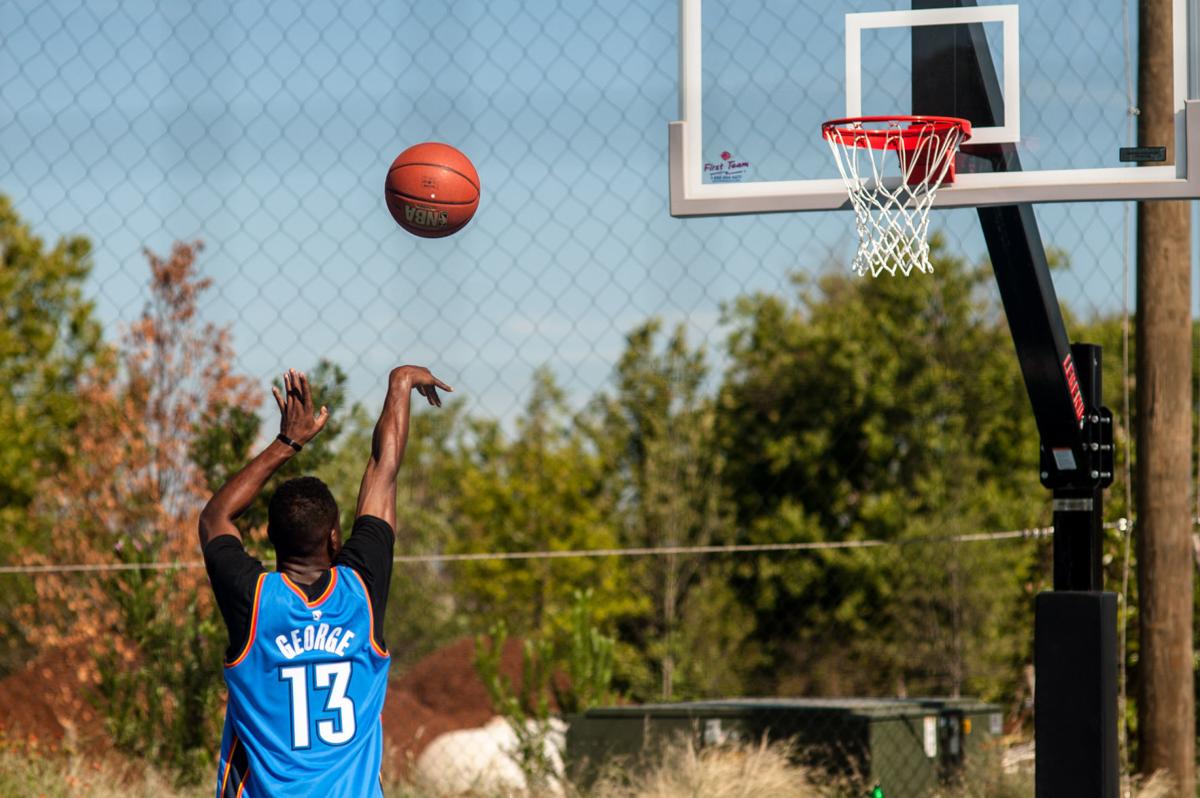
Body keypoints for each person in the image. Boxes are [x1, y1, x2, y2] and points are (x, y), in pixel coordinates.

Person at [199, 365, 451, 798]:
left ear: (269, 537)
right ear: (335, 536)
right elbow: (382, 469)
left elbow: (215, 516)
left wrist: (288, 442)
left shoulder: (253, 601)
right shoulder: (361, 594)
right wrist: (400, 383)